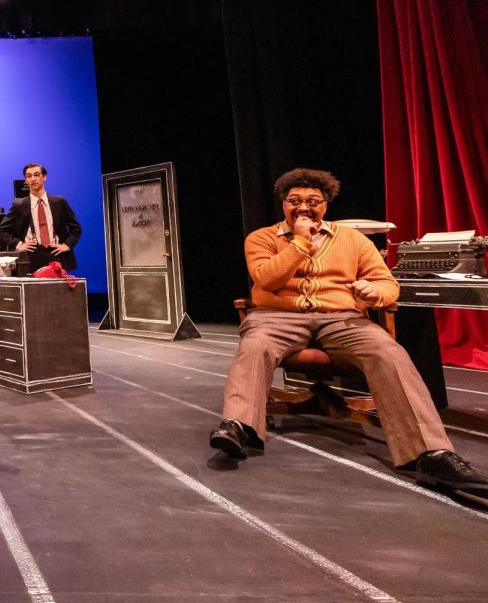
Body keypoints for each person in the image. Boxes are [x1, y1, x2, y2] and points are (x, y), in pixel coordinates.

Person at [209, 168, 488, 501]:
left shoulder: (353, 240)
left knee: (389, 351)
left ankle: (432, 454)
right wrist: (299, 241)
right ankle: (239, 426)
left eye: (313, 201)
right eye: (294, 200)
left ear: (325, 204)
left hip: (341, 319)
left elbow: (388, 285)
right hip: (276, 317)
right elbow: (267, 279)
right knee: (254, 345)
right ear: (283, 204)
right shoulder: (262, 238)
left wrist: (375, 292)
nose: (303, 207)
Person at [0, 163, 82, 272]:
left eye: (36, 175)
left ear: (44, 177)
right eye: (29, 176)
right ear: (26, 180)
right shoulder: (19, 205)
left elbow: (76, 229)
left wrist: (66, 245)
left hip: (56, 255)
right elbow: (2, 230)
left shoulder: (60, 202)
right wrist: (19, 245)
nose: (33, 179)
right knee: (32, 289)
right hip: (29, 256)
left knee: (57, 289)